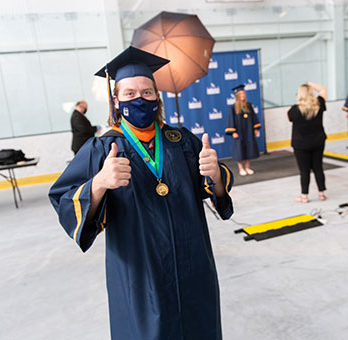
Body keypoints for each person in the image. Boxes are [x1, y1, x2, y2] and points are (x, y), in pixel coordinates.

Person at [48, 46, 234, 340]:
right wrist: (99, 183)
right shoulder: (103, 148)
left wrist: (216, 176)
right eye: (130, 93)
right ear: (116, 101)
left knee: (200, 327)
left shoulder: (181, 141)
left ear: (157, 97)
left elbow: (216, 193)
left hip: (193, 263)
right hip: (140, 271)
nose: (140, 99)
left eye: (147, 92)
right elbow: (63, 198)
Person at [287, 82, 327, 203]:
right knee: (318, 168)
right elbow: (323, 89)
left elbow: (289, 117)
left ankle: (304, 196)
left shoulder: (294, 110)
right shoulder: (319, 105)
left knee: (304, 171)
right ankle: (322, 194)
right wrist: (310, 84)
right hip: (318, 142)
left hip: (301, 144)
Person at [225, 84, 261, 176]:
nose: (243, 96)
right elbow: (231, 120)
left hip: (248, 131)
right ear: (237, 96)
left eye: (243, 94)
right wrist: (233, 132)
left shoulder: (248, 105)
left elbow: (253, 117)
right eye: (240, 94)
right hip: (239, 132)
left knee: (249, 148)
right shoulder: (233, 107)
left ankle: (247, 167)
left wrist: (255, 129)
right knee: (239, 149)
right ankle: (241, 168)